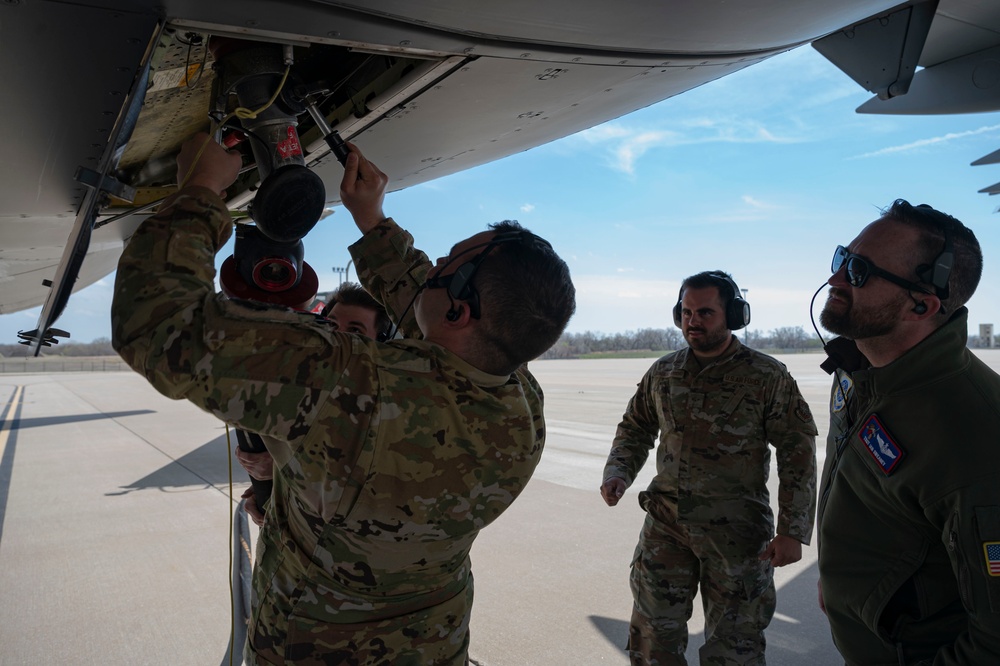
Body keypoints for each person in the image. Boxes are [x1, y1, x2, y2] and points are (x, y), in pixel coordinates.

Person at [111, 133, 576, 665]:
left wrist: (201, 189)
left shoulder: (347, 380)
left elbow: (155, 324)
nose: (430, 272)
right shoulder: (521, 405)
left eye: (443, 265)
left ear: (461, 312)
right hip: (432, 646)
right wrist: (373, 222)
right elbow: (430, 311)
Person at [815, 200, 1000, 664]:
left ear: (922, 305)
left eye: (858, 271)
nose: (836, 279)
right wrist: (844, 584)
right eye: (842, 258)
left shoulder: (972, 429)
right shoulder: (858, 369)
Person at [600, 270, 817, 665]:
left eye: (704, 312)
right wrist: (618, 472)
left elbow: (796, 452)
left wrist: (793, 530)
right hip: (666, 524)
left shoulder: (766, 376)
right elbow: (635, 427)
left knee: (734, 644)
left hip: (736, 531)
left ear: (732, 315)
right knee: (651, 635)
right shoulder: (663, 372)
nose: (692, 321)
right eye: (685, 312)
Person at [235, 281, 392, 526]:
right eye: (331, 325)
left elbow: (379, 490)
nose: (337, 337)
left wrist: (279, 469)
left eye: (355, 331)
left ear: (379, 341)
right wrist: (268, 492)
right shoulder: (302, 388)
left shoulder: (391, 403)